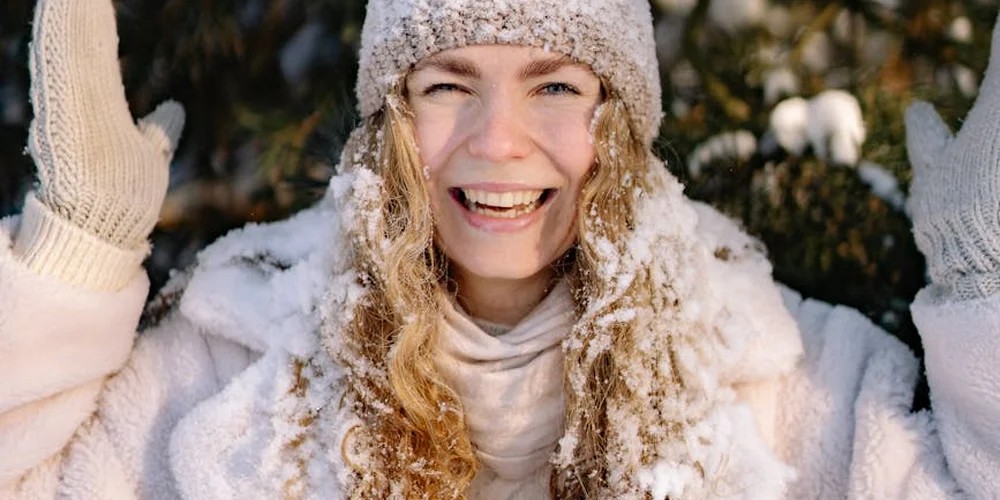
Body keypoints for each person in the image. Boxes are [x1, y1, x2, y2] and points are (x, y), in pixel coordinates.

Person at [2, 0, 999, 498]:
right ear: (391, 117)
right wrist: (73, 253)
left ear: (619, 119)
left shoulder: (789, 378)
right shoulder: (235, 356)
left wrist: (983, 287)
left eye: (556, 86)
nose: (495, 140)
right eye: (446, 84)